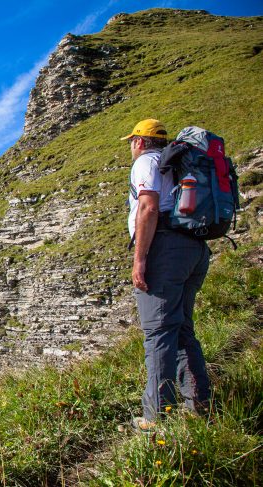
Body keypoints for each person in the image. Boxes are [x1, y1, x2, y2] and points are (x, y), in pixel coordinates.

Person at [122, 119, 211, 431]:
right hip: (195, 248)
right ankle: (199, 404)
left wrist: (140, 259)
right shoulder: (179, 163)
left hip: (165, 250)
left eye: (132, 140)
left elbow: (148, 208)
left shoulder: (147, 162)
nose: (131, 146)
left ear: (141, 141)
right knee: (183, 328)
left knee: (159, 332)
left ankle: (156, 417)